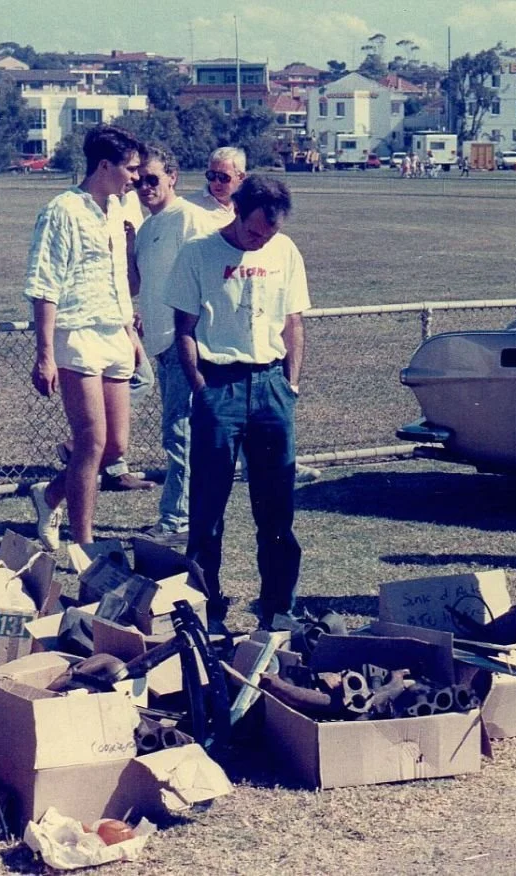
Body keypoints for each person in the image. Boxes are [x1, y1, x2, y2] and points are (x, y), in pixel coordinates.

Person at [167, 176, 309, 630]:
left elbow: (293, 323)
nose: (260, 241)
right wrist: (201, 389)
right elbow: (184, 328)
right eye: (253, 233)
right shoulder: (198, 253)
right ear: (235, 211)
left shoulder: (284, 251)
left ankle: (278, 609)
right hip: (219, 387)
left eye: (268, 234)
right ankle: (206, 610)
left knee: (277, 510)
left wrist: (290, 385)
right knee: (207, 511)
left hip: (270, 387)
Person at [25, 124, 144, 551]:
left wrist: (130, 332)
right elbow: (44, 285)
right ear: (105, 165)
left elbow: (118, 281)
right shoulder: (62, 211)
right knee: (91, 441)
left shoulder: (119, 211)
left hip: (115, 333)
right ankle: (85, 544)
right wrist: (44, 355)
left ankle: (50, 494)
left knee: (114, 447)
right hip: (76, 336)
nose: (135, 178)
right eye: (130, 169)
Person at [133, 145, 212, 546]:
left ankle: (177, 519)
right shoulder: (147, 228)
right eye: (138, 180)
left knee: (179, 434)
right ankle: (187, 514)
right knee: (179, 434)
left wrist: (195, 338)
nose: (144, 187)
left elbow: (211, 276)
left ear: (172, 177)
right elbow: (138, 284)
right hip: (160, 344)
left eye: (153, 179)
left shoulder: (191, 219)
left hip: (187, 344)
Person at [187, 146, 247, 228]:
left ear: (240, 177)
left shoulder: (249, 207)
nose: (217, 182)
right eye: (211, 175)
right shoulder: (189, 207)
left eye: (223, 177)